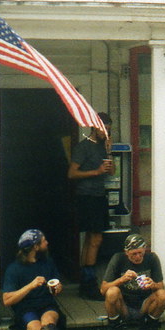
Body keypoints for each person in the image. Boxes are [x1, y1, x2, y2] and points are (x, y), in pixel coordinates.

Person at [1, 229, 75, 330]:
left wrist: (58, 288)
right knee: (35, 327)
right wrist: (31, 286)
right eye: (43, 241)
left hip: (46, 303)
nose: (47, 243)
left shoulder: (48, 262)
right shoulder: (14, 269)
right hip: (25, 307)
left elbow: (56, 282)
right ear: (35, 247)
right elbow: (7, 300)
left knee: (49, 320)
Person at [68, 111, 115, 300]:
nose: (106, 133)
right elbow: (71, 174)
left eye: (108, 130)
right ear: (95, 127)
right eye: (104, 129)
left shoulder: (104, 147)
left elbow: (111, 172)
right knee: (95, 239)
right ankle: (89, 282)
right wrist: (95, 172)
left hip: (99, 195)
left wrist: (110, 153)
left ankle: (85, 281)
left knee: (91, 239)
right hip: (87, 196)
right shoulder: (83, 147)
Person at [101, 234, 165, 330]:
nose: (138, 257)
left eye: (140, 253)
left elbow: (161, 286)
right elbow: (103, 289)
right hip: (124, 305)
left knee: (163, 295)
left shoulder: (152, 258)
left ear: (144, 250)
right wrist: (121, 280)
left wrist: (153, 285)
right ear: (126, 252)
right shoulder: (118, 258)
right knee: (112, 292)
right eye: (134, 254)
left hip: (144, 304)